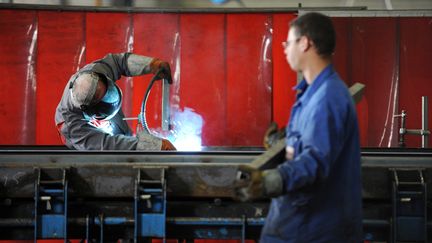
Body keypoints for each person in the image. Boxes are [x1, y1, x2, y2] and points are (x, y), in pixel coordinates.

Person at [235, 12, 362, 242]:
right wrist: (280, 145)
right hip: (300, 221)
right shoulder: (311, 93)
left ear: (305, 43)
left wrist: (268, 181)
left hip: (313, 227)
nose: (285, 49)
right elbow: (309, 143)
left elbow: (315, 161)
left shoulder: (328, 98)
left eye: (289, 42)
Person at [55, 53, 176, 151]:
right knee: (116, 151)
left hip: (103, 115)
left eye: (109, 93)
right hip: (92, 143)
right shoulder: (72, 126)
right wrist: (151, 146)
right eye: (105, 100)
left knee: (126, 136)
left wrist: (151, 64)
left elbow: (119, 62)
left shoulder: (95, 72)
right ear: (93, 111)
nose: (110, 99)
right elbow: (108, 146)